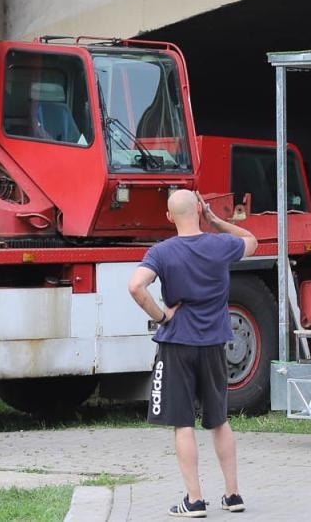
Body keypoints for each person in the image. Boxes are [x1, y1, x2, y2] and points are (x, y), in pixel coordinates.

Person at [128, 190, 258, 517]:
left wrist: (161, 316)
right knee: (219, 420)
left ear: (169, 217)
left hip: (178, 343)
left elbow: (135, 287)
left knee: (182, 422)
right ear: (199, 209)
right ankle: (233, 495)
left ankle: (195, 500)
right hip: (215, 342)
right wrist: (216, 220)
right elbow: (251, 240)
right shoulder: (220, 245)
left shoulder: (161, 252)